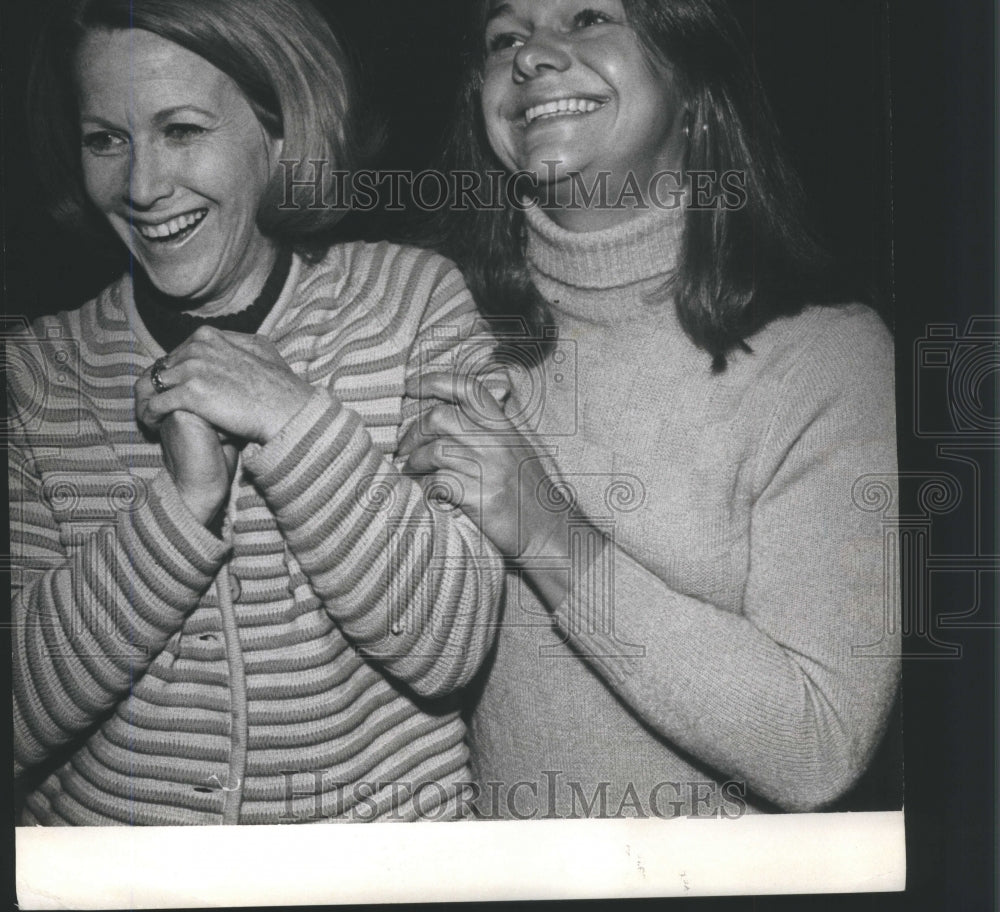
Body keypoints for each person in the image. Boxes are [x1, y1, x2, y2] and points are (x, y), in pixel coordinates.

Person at [9, 0, 505, 826]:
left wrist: (293, 418)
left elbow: (449, 642)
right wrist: (179, 509)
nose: (140, 186)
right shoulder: (31, 375)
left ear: (280, 132)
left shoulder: (413, 303)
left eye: (182, 129)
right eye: (106, 139)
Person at [402, 0, 901, 817]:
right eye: (506, 37)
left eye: (590, 16)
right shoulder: (427, 324)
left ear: (693, 79)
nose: (533, 57)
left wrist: (544, 528)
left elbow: (821, 743)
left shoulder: (827, 358)